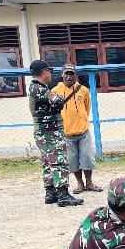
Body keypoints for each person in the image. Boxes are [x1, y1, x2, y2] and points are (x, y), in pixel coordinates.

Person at [27, 59, 83, 207]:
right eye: (48, 71)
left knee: (48, 162)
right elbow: (58, 102)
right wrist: (57, 99)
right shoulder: (39, 89)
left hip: (45, 131)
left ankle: (51, 193)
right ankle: (63, 195)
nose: (50, 74)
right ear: (43, 72)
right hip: (49, 131)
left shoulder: (39, 87)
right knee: (59, 161)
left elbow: (57, 101)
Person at [52, 63, 102, 194]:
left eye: (71, 74)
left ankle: (89, 183)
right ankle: (80, 184)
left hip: (83, 131)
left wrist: (81, 120)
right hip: (66, 133)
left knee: (87, 158)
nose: (69, 77)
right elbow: (52, 109)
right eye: (66, 74)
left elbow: (87, 108)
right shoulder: (55, 91)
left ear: (76, 75)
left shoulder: (83, 90)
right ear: (62, 75)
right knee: (72, 160)